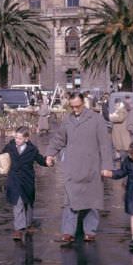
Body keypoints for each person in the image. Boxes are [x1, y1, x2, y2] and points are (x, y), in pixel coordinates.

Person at [45, 93, 113, 244]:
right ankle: (68, 232)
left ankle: (90, 231)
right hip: (73, 167)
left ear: (84, 104)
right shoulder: (68, 120)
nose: (75, 110)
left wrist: (107, 166)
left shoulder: (96, 119)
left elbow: (105, 144)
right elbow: (59, 139)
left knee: (92, 201)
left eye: (78, 106)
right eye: (72, 107)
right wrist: (50, 154)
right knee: (70, 200)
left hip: (92, 167)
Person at [2, 126, 50, 240]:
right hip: (14, 179)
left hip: (27, 180)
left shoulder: (32, 150)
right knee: (17, 203)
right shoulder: (10, 146)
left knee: (28, 203)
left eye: (19, 138)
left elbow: (40, 160)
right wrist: (1, 163)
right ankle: (18, 229)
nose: (16, 140)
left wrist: (48, 162)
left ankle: (28, 224)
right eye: (15, 137)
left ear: (26, 139)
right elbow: (2, 155)